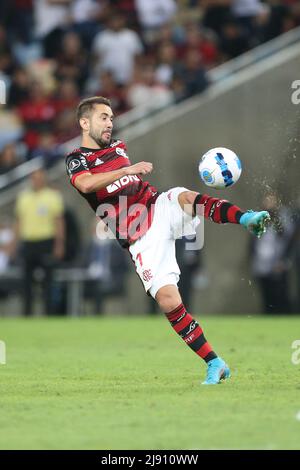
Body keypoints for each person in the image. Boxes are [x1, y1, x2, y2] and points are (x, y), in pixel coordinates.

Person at [65, 96, 270, 385]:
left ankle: (246, 218)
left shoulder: (117, 148)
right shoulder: (77, 159)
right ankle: (215, 362)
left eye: (111, 117)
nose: (110, 123)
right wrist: (127, 170)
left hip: (155, 206)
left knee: (184, 196)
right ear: (85, 123)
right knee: (168, 301)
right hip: (138, 236)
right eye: (103, 117)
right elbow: (85, 184)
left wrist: (127, 171)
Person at [14, 169, 65, 316]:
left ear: (44, 179)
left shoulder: (53, 197)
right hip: (28, 243)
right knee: (26, 282)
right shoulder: (23, 197)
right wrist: (15, 243)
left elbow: (59, 222)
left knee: (48, 281)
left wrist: (59, 244)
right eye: (34, 178)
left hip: (46, 243)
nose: (36, 181)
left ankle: (49, 314)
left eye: (39, 178)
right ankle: (27, 314)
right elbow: (18, 221)